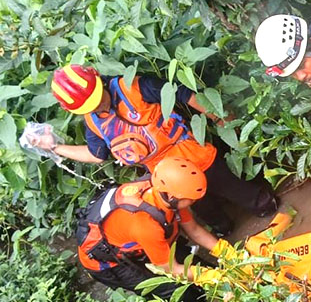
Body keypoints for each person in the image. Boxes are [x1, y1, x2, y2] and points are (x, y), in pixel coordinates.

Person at [39, 64, 278, 235]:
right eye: (91, 106)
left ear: (98, 76)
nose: (100, 105)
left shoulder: (133, 87)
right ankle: (225, 229)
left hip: (188, 151)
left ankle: (265, 204)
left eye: (99, 96)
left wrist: (219, 117)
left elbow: (184, 94)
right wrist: (55, 147)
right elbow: (96, 154)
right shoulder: (92, 122)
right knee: (202, 207)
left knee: (230, 185)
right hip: (164, 173)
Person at [75, 157, 241, 302]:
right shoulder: (146, 225)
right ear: (171, 196)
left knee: (199, 267)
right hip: (109, 263)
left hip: (137, 239)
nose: (194, 202)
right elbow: (171, 269)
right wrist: (210, 276)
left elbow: (195, 230)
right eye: (190, 199)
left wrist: (227, 253)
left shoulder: (165, 192)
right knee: (176, 291)